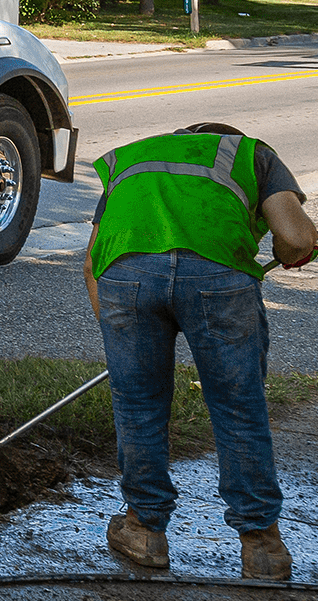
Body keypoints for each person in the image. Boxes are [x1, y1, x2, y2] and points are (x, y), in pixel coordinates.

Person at [84, 122, 315, 580]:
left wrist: (120, 332)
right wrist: (292, 253)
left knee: (138, 406)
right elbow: (298, 237)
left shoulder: (128, 157)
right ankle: (262, 546)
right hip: (218, 278)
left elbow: (91, 262)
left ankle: (144, 530)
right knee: (238, 408)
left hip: (125, 277)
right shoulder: (251, 154)